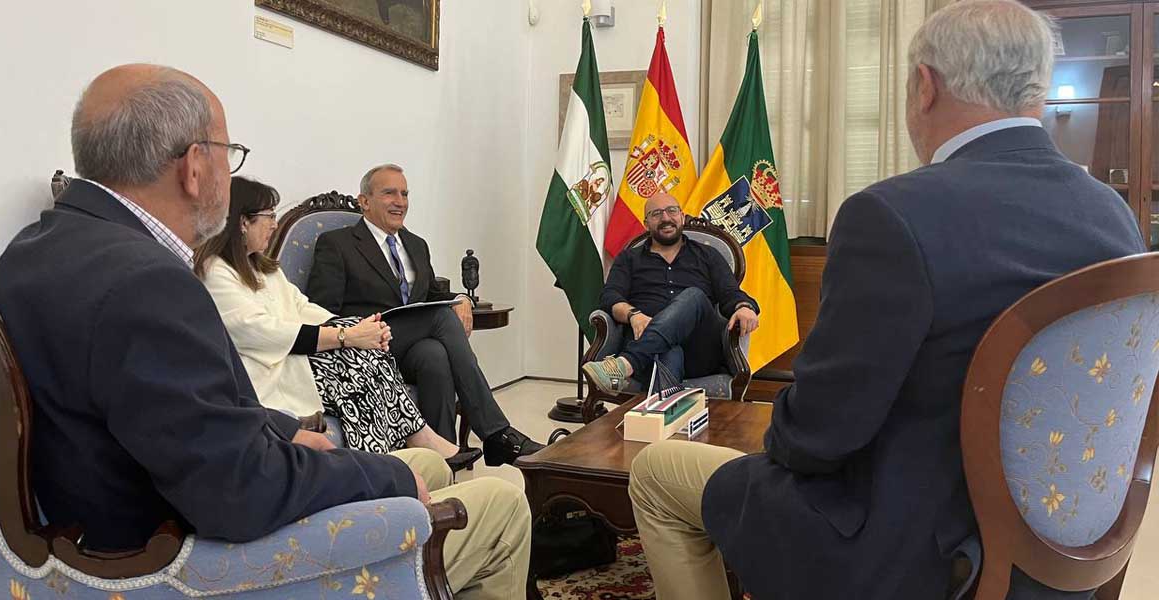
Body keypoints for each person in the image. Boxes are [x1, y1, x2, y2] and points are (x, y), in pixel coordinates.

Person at [626, 2, 1147, 599]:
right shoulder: (1112, 214)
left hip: (909, 558)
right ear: (1037, 87)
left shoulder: (894, 216)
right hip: (1062, 551)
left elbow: (815, 439)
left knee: (656, 474)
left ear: (924, 86)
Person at [0, 64, 529, 598]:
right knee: (497, 505)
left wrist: (279, 426)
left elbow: (163, 407)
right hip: (192, 563)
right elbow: (241, 492)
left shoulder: (34, 250)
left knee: (427, 464)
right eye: (231, 153)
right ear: (195, 167)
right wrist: (383, 478)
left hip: (117, 524)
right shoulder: (148, 282)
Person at [194, 176, 483, 471]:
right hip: (269, 368)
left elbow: (302, 307)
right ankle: (406, 451)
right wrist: (346, 336)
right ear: (243, 222)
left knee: (385, 351)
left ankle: (393, 457)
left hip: (298, 354)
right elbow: (260, 332)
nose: (273, 224)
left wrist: (356, 329)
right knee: (367, 355)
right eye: (269, 216)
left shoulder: (263, 268)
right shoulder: (216, 272)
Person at [306, 164, 543, 466]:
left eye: (404, 193)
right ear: (364, 201)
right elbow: (321, 312)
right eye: (389, 193)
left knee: (433, 355)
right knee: (442, 318)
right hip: (363, 347)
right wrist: (358, 334)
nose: (400, 201)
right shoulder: (337, 244)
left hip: (405, 349)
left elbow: (430, 295)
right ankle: (496, 432)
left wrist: (459, 298)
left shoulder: (416, 245)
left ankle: (442, 460)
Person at [581, 191, 759, 391]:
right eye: (656, 214)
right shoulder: (629, 259)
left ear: (681, 216)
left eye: (671, 211)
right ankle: (661, 418)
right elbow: (609, 297)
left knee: (695, 296)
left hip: (698, 351)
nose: (665, 218)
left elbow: (730, 293)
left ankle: (625, 363)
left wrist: (744, 307)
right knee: (668, 350)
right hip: (649, 347)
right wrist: (633, 315)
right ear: (646, 223)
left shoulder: (708, 255)